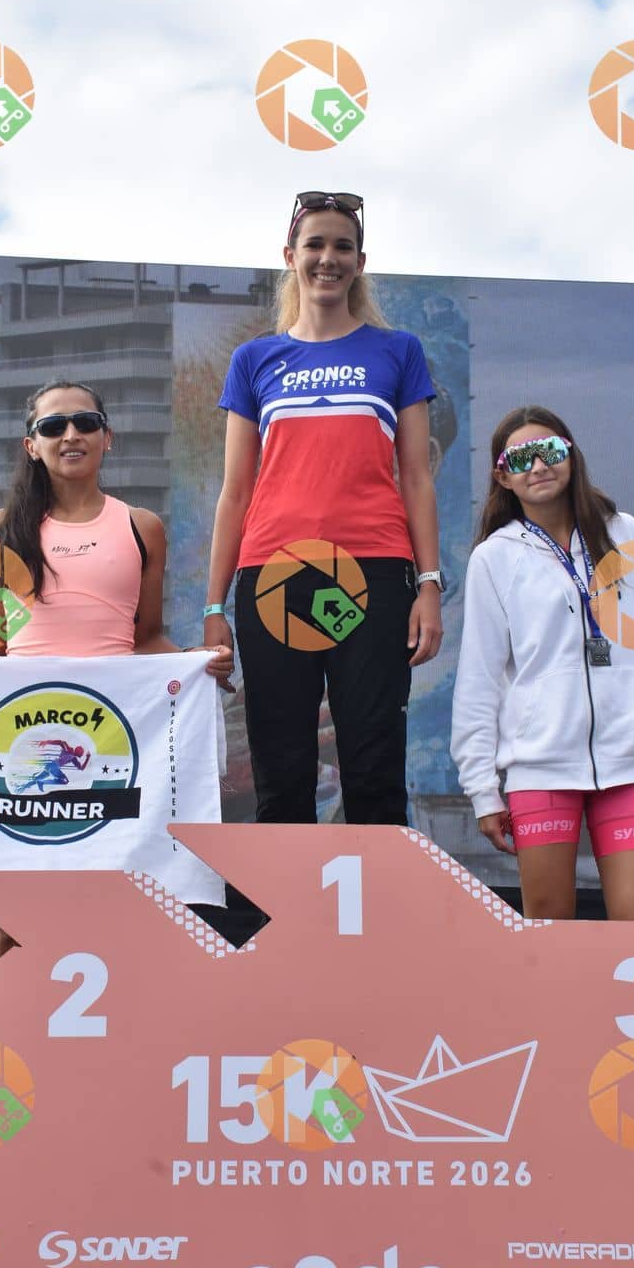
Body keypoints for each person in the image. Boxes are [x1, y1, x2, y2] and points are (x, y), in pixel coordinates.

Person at [0, 379, 232, 958]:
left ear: (107, 438)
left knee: (117, 913)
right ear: (32, 445)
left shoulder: (142, 528)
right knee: (14, 924)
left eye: (85, 422)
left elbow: (145, 636)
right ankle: (13, 1019)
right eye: (53, 425)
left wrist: (193, 664)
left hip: (115, 739)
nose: (71, 434)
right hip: (22, 731)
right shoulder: (3, 529)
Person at [204, 191, 444, 825]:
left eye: (343, 246)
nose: (328, 258)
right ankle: (283, 894)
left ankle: (375, 894)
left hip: (374, 571)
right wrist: (214, 606)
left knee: (373, 763)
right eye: (315, 245)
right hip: (274, 574)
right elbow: (235, 492)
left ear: (360, 262)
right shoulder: (254, 360)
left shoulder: (398, 351)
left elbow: (417, 478)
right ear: (291, 256)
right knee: (281, 768)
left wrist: (428, 584)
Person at [450, 405, 634, 921]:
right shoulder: (494, 557)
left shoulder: (624, 532)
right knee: (549, 931)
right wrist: (482, 791)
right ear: (503, 476)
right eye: (521, 458)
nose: (538, 466)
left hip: (629, 765)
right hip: (539, 769)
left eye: (549, 451)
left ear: (571, 456)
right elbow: (479, 680)